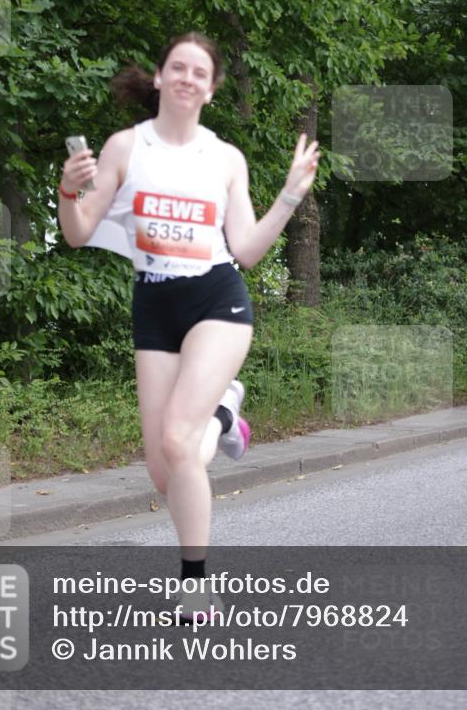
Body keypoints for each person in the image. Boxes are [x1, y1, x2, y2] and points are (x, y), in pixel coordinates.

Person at [58, 31, 319, 621]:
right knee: (164, 469)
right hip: (153, 304)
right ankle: (225, 414)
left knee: (179, 440)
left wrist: (289, 197)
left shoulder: (225, 158)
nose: (186, 78)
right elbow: (76, 231)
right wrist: (68, 189)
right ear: (158, 77)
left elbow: (247, 250)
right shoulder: (127, 147)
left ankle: (196, 583)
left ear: (212, 86)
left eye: (199, 72)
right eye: (177, 67)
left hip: (216, 300)